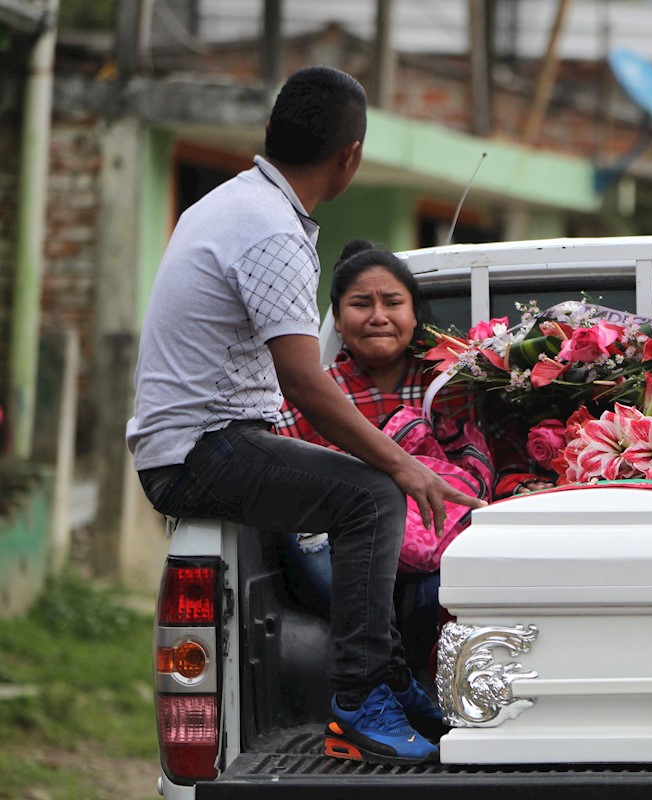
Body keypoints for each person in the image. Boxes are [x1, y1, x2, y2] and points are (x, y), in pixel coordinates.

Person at [126, 66, 485, 767]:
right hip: (197, 451)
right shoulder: (270, 230)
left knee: (361, 489)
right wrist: (404, 464)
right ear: (350, 156)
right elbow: (304, 380)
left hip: (206, 441)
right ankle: (358, 701)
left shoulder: (238, 204)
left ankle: (387, 677)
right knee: (372, 494)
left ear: (271, 135)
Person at [275, 239, 496, 603]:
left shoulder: (454, 386)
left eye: (393, 303)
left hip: (448, 562)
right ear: (338, 319)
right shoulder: (310, 396)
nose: (378, 316)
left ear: (414, 315)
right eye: (361, 304)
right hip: (347, 572)